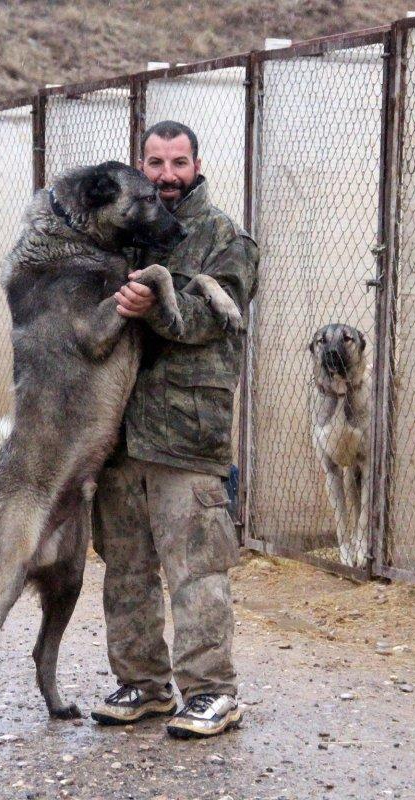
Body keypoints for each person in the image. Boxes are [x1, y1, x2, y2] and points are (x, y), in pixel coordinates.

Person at [89, 120, 259, 739]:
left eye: (178, 162)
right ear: (141, 164)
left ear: (197, 165)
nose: (166, 175)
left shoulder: (226, 239)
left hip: (186, 431)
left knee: (196, 567)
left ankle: (212, 692)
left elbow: (207, 323)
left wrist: (151, 304)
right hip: (118, 429)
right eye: (155, 162)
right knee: (126, 564)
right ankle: (143, 683)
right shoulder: (120, 232)